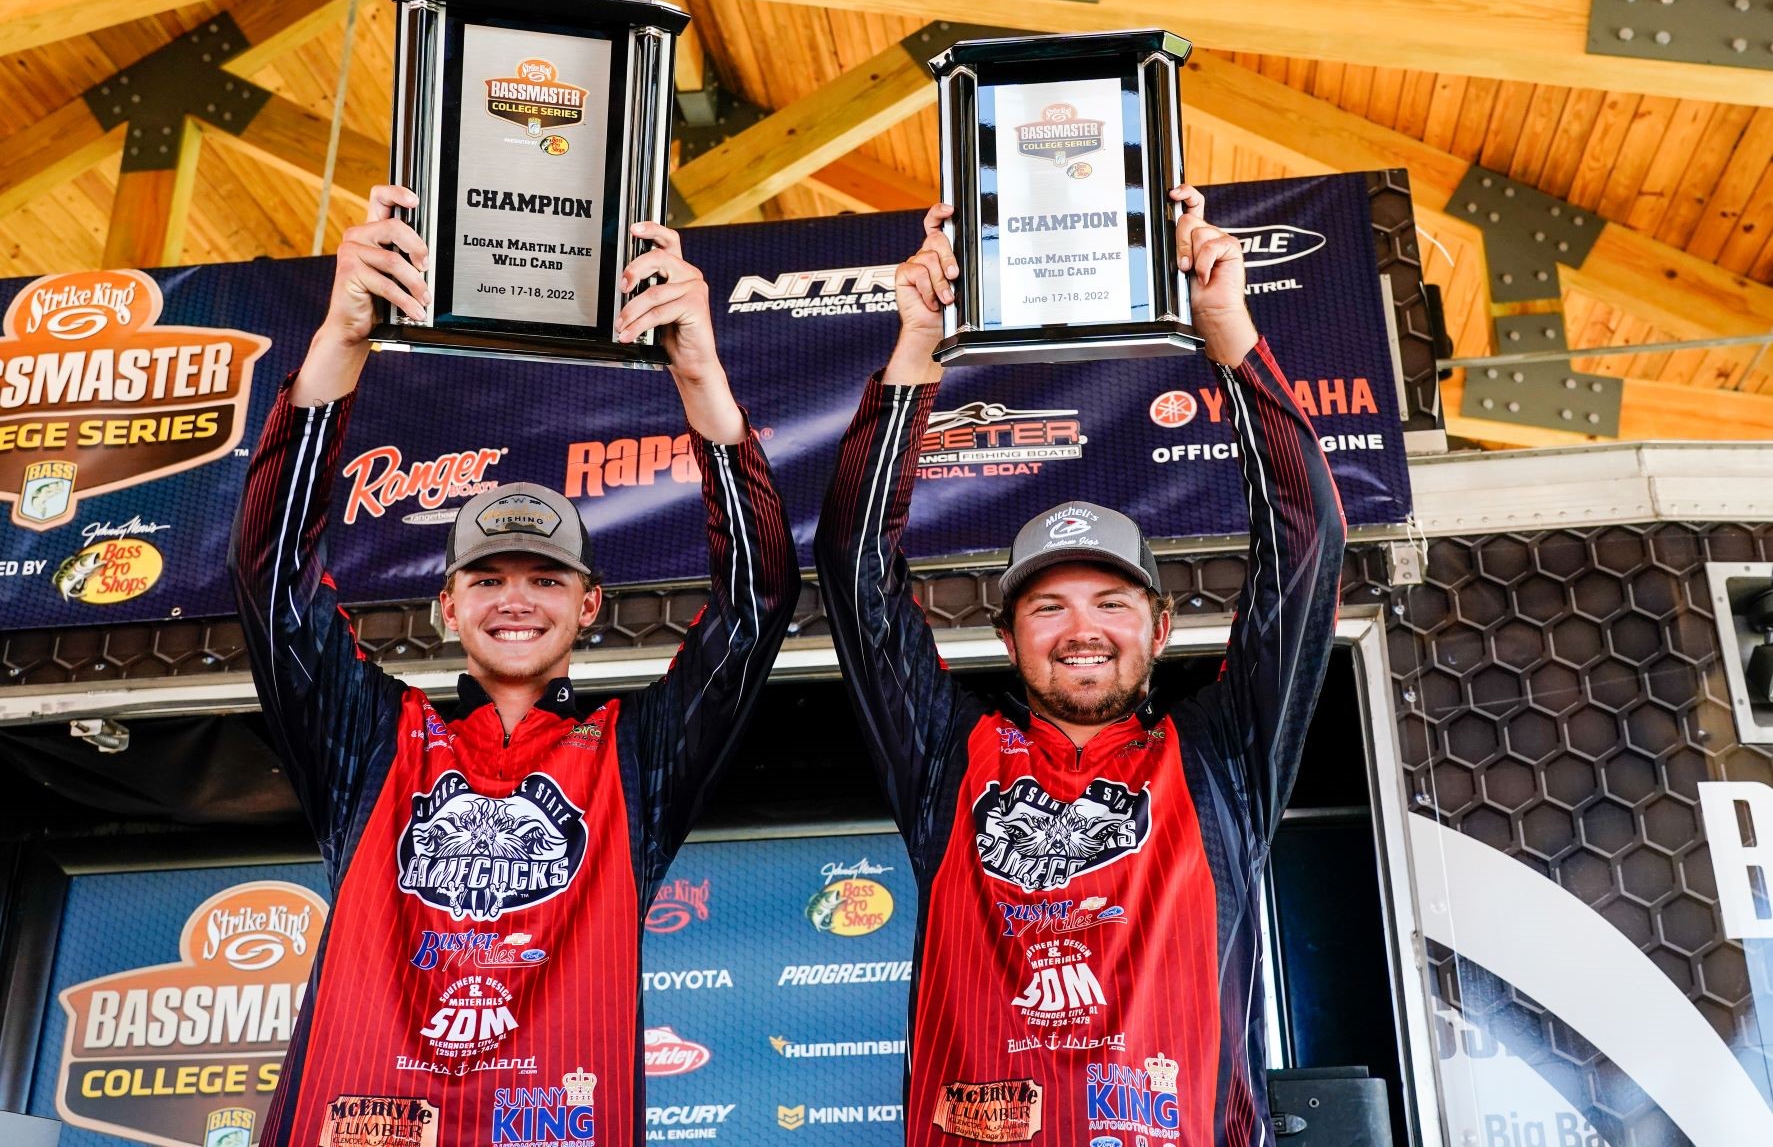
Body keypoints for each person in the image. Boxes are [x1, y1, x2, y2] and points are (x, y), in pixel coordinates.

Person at [230, 185, 796, 1147]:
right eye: (487, 578)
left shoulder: (632, 760)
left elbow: (757, 605)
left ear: (587, 606)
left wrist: (700, 376)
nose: (515, 599)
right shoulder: (374, 743)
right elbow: (268, 575)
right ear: (448, 606)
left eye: (544, 577)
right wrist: (342, 340)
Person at [815, 185, 1346, 1146]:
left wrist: (1228, 335)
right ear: (1009, 637)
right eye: (1047, 607)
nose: (1080, 630)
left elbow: (1305, 541)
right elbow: (853, 568)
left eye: (1110, 603)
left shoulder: (1225, 756)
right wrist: (916, 351)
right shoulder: (947, 755)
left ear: (1161, 628)